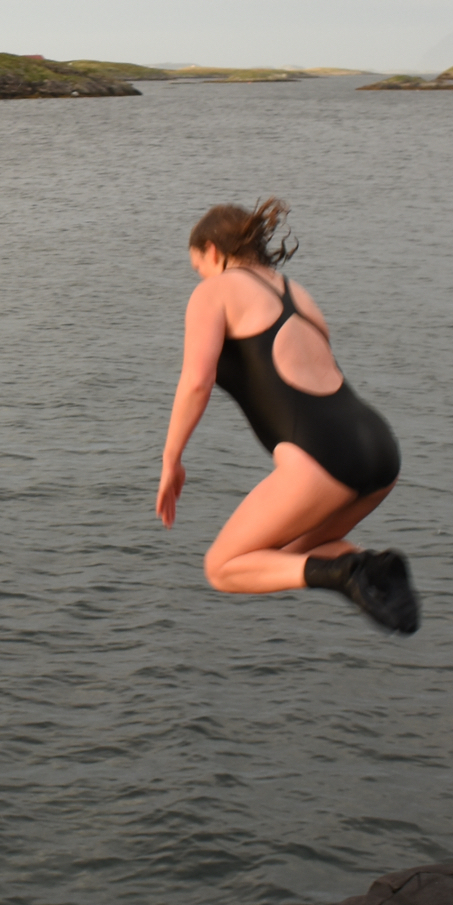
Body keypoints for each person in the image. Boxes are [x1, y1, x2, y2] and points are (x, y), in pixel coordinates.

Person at [157, 199, 418, 634]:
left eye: (198, 267)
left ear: (214, 252)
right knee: (285, 559)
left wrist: (171, 459)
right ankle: (372, 567)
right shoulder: (297, 294)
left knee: (223, 567)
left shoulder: (214, 292)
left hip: (319, 458)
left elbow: (197, 380)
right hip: (379, 450)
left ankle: (350, 574)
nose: (199, 278)